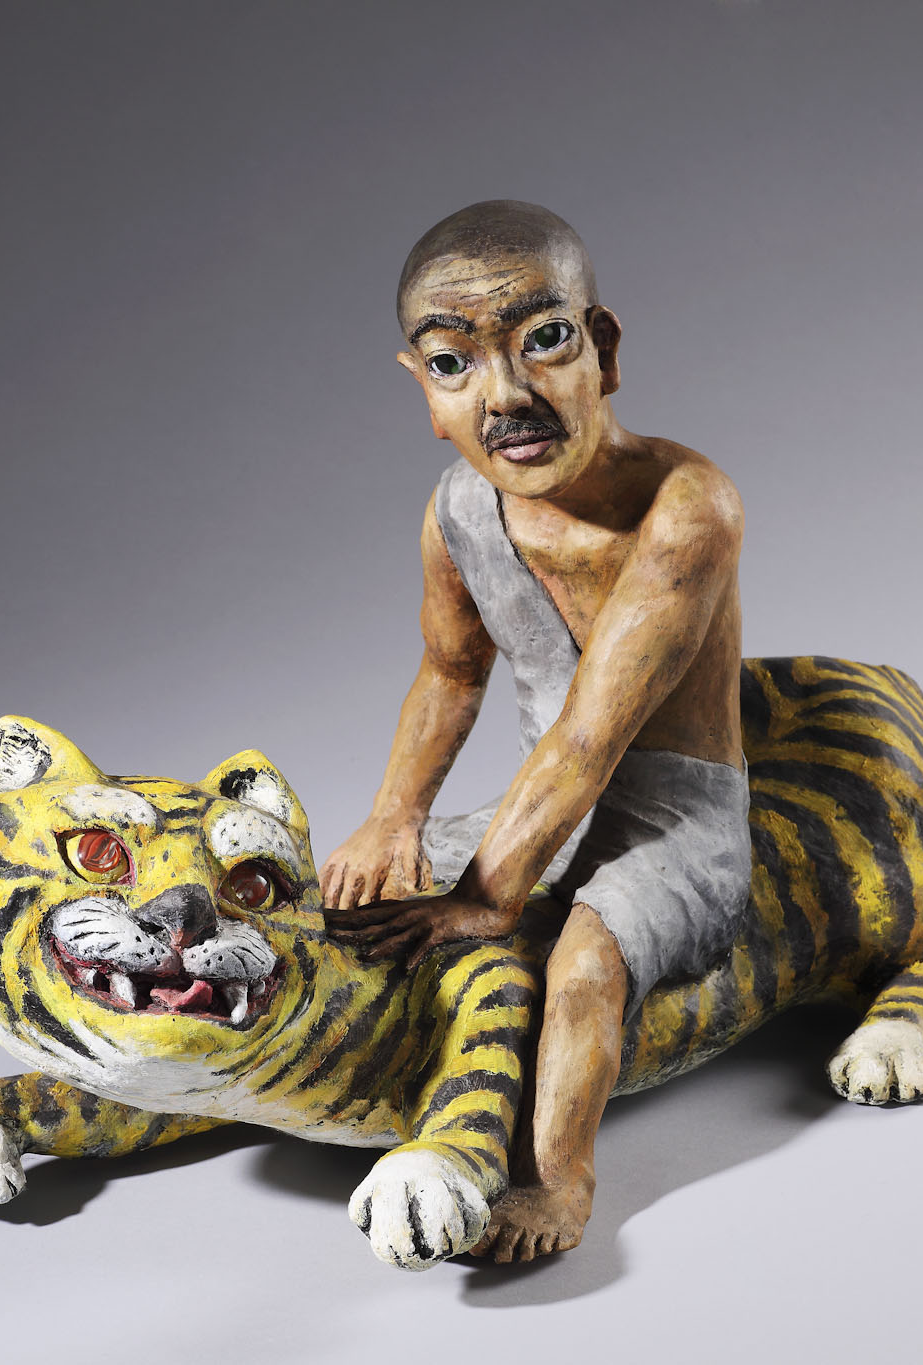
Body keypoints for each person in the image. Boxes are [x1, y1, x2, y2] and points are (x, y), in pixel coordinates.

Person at [321, 201, 749, 1262]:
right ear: (423, 391)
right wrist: (393, 817)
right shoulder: (458, 512)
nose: (505, 395)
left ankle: (558, 1183)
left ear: (603, 349)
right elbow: (448, 673)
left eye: (543, 341)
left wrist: (485, 897)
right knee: (358, 911)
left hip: (674, 819)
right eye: (452, 362)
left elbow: (588, 741)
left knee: (584, 961)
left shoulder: (686, 505)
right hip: (540, 804)